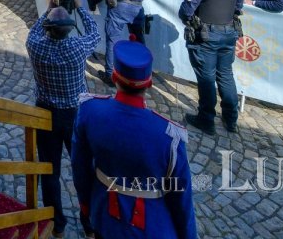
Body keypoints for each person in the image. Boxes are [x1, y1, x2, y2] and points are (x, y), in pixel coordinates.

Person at [71, 42, 197, 239]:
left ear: (114, 77)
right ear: (149, 84)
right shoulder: (169, 136)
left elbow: (80, 169)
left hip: (104, 218)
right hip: (152, 229)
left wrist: (86, 207)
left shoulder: (89, 111)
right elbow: (181, 199)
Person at [25, 0, 102, 237]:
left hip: (46, 113)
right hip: (74, 114)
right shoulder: (77, 48)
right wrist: (80, 8)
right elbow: (95, 34)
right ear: (69, 29)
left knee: (50, 170)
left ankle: (56, 224)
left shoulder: (36, 46)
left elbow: (33, 33)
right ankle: (89, 224)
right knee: (83, 169)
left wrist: (48, 10)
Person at [178, 0, 242, 134]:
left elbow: (186, 11)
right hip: (229, 33)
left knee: (206, 78)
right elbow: (238, 7)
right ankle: (231, 119)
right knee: (226, 75)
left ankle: (206, 118)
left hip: (207, 36)